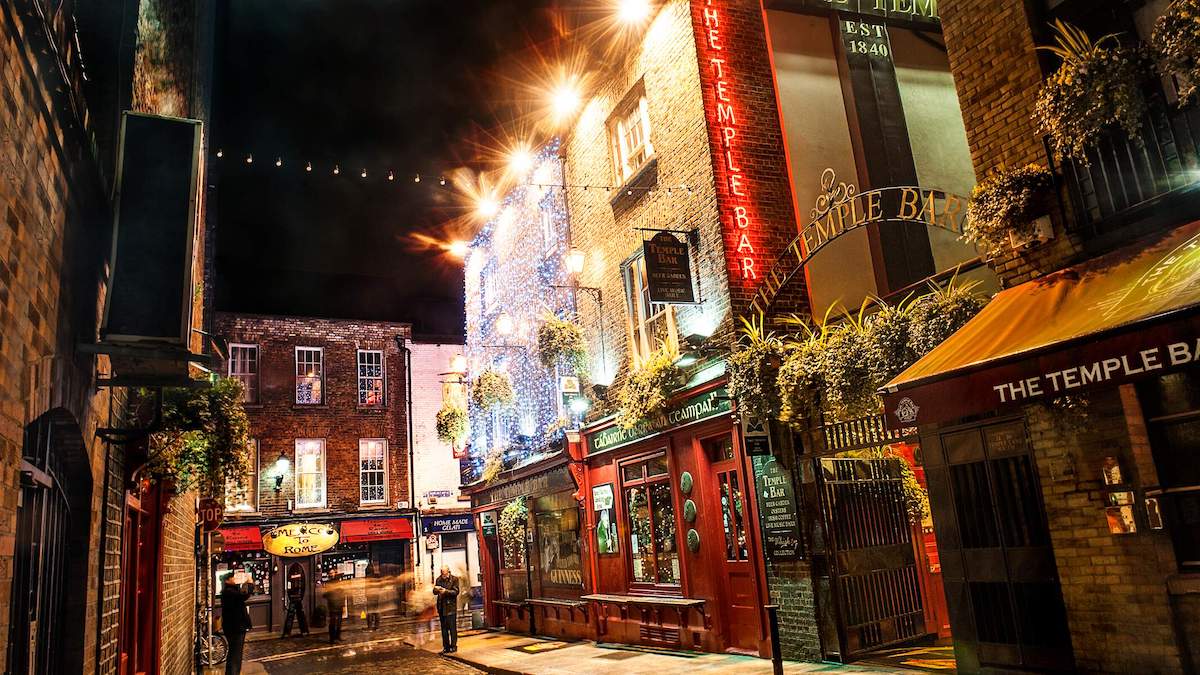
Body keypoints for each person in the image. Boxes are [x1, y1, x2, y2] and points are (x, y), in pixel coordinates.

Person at [220, 572, 253, 675]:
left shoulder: (229, 591)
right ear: (227, 580)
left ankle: (231, 673)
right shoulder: (229, 592)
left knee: (234, 653)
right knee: (236, 655)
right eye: (232, 578)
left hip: (233, 626)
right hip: (236, 627)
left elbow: (241, 595)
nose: (234, 579)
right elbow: (244, 596)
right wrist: (250, 584)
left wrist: (245, 585)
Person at [432, 565, 460, 654]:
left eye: (444, 573)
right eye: (441, 573)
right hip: (441, 607)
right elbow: (434, 592)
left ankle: (453, 646)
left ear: (448, 572)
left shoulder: (454, 579)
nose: (442, 575)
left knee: (452, 628)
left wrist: (446, 591)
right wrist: (436, 589)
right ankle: (446, 647)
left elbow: (456, 592)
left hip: (450, 607)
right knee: (444, 629)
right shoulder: (438, 579)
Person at [281, 565, 309, 637]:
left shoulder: (292, 575)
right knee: (300, 615)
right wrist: (300, 595)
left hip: (294, 598)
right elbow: (302, 586)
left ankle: (287, 632)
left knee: (291, 615)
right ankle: (304, 631)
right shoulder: (299, 576)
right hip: (297, 598)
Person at [323, 573, 346, 644]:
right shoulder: (330, 585)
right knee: (333, 623)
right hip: (333, 607)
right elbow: (325, 595)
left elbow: (342, 596)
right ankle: (332, 639)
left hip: (337, 606)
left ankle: (336, 637)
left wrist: (343, 606)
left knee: (338, 623)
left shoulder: (339, 586)